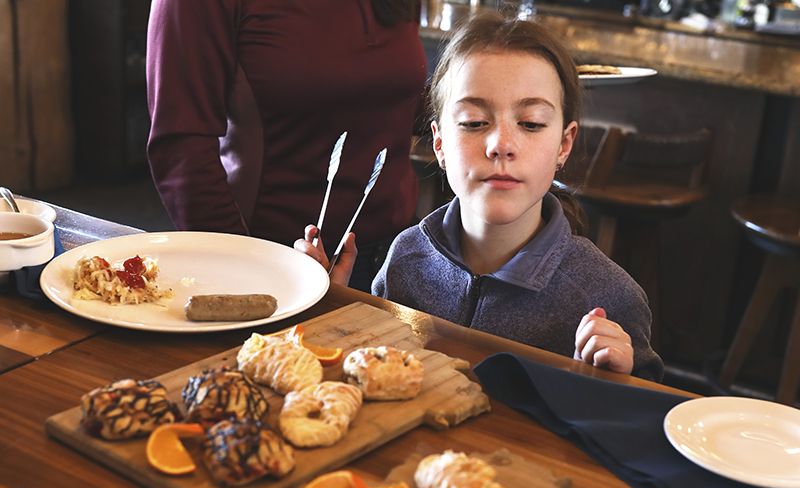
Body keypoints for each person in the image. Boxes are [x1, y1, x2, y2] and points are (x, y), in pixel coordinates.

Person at [296, 11, 664, 381]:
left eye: (531, 123)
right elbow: (378, 378)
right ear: (439, 144)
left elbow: (640, 424)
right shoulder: (405, 258)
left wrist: (615, 384)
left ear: (564, 145)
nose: (501, 145)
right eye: (474, 122)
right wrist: (335, 309)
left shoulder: (609, 296)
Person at [146, 0, 427, 292]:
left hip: (402, 254)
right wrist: (244, 272)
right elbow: (182, 149)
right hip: (275, 263)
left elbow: (391, 93)